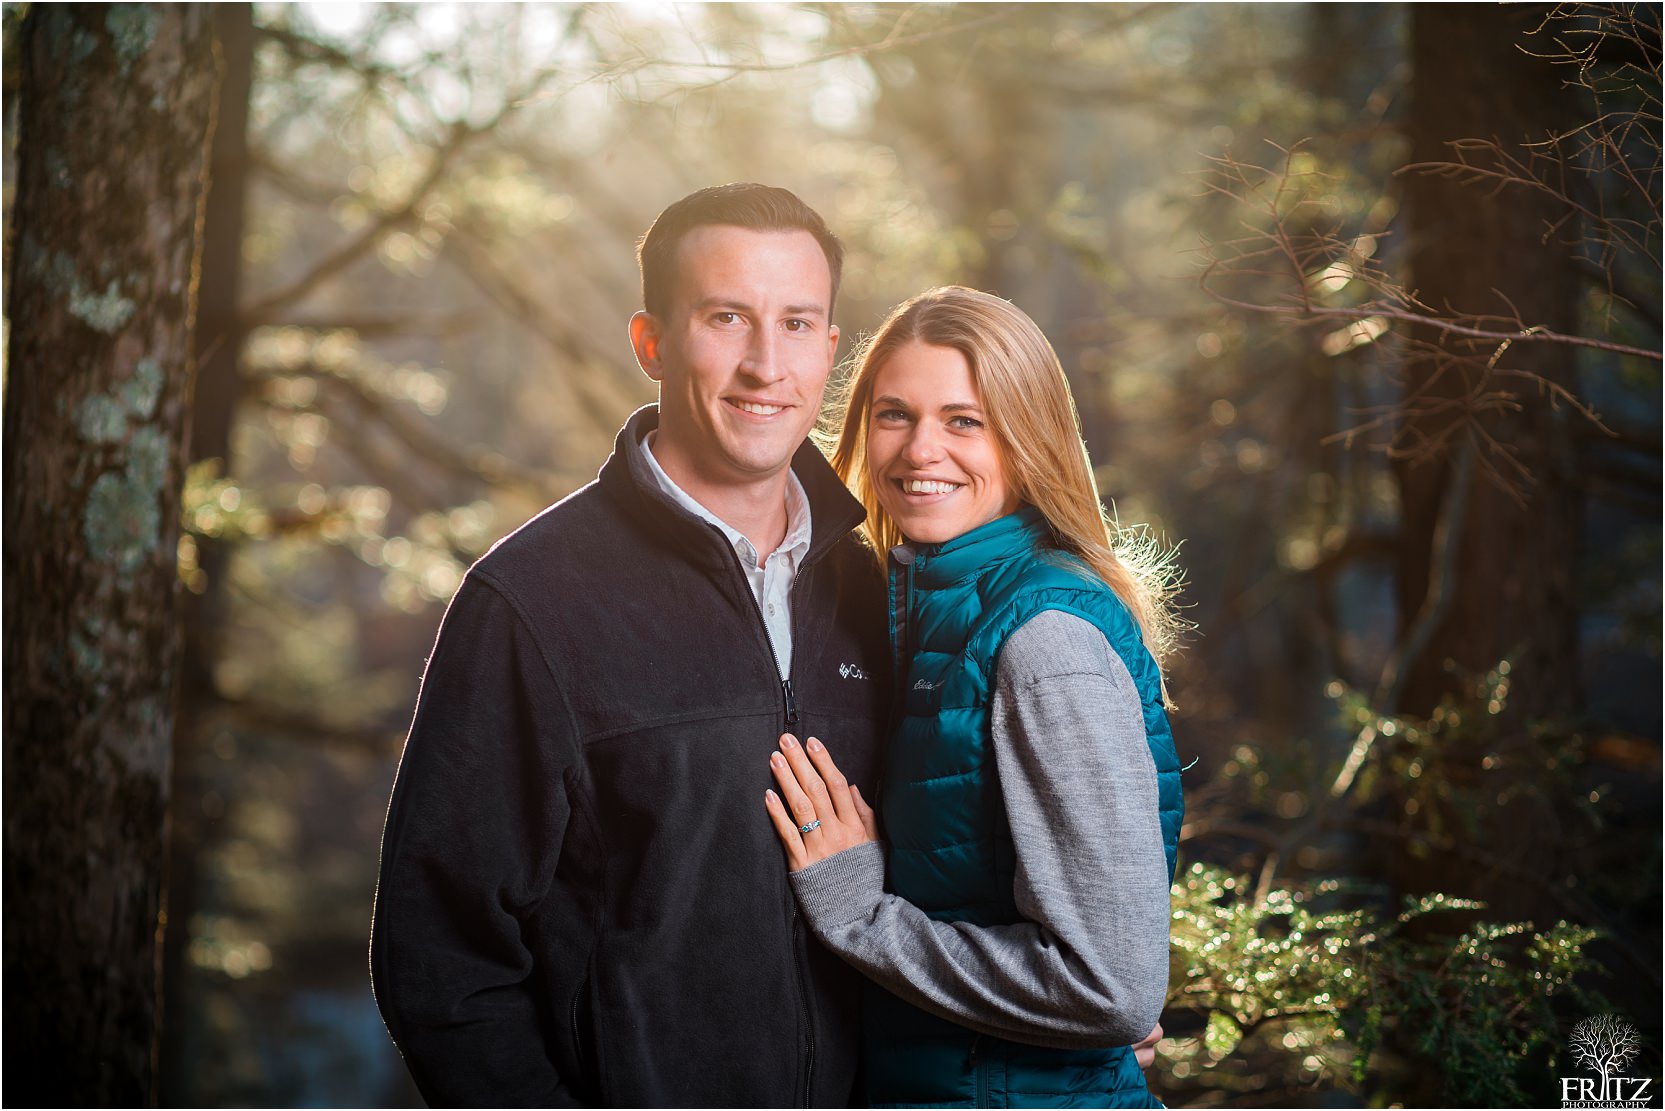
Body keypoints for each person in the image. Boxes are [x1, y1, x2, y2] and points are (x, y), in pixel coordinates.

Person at [370, 183, 891, 1107]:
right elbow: (440, 957)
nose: (767, 364)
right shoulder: (531, 601)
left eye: (798, 323)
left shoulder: (876, 586)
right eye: (726, 317)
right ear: (650, 342)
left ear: (829, 349)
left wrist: (1060, 1018)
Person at [762, 286, 1184, 1108]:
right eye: (894, 414)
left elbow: (1113, 989)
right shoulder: (922, 606)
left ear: (1027, 438)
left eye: (965, 420)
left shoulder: (1042, 640)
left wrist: (860, 916)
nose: (921, 449)